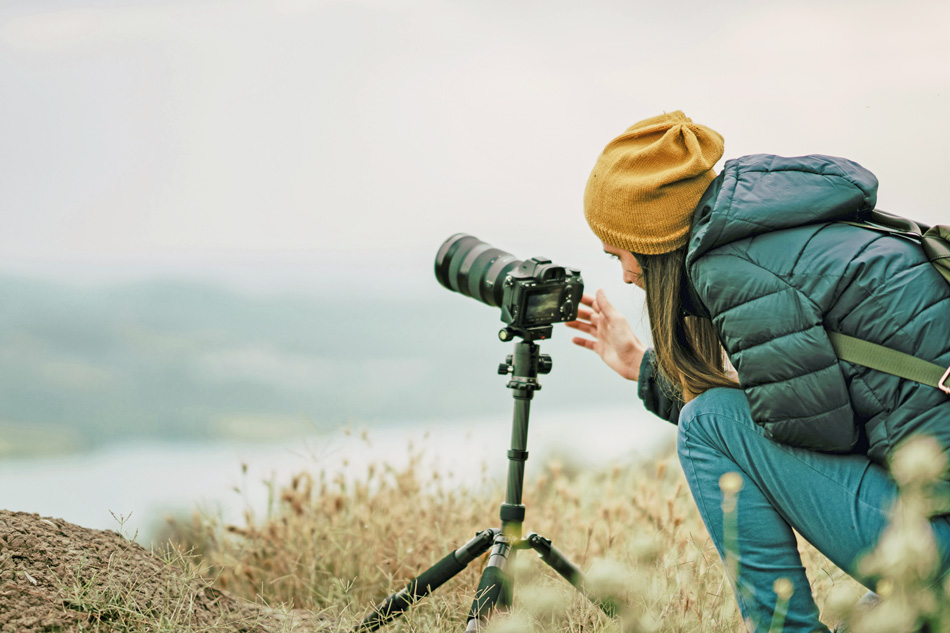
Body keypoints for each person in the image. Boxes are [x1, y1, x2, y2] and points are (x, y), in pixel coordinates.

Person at [565, 111, 950, 632]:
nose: (627, 273)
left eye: (619, 255)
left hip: (938, 543)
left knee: (706, 422)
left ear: (654, 240)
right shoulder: (796, 229)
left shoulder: (733, 270)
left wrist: (696, 382)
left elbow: (814, 438)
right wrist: (644, 368)